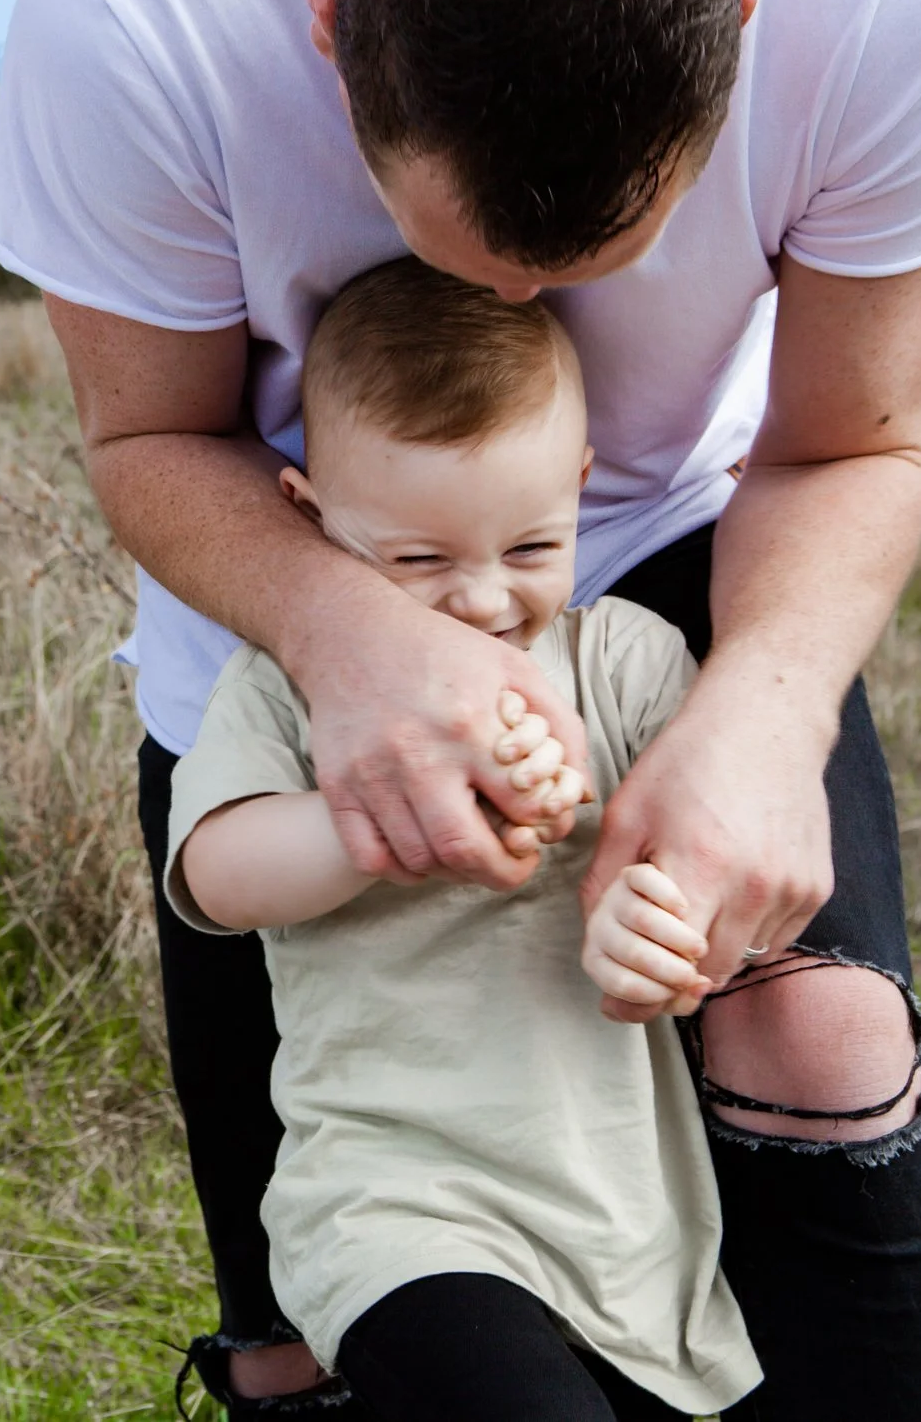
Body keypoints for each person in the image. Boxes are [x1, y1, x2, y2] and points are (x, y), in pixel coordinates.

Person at [0, 0, 921, 1415]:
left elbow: (845, 442)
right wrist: (351, 633)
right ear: (325, 33)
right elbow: (147, 437)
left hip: (694, 550)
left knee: (818, 1037)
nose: (535, 302)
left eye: (594, 254)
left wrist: (761, 720)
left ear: (748, 10)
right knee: (293, 1331)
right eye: (480, 254)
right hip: (307, 554)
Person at [167, 258, 757, 1420]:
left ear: (582, 491)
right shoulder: (295, 686)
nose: (483, 601)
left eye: (531, 548)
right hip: (393, 1200)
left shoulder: (623, 663)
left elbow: (708, 857)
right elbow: (216, 873)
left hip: (626, 1219)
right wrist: (380, 813)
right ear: (310, 515)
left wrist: (660, 919)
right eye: (420, 559)